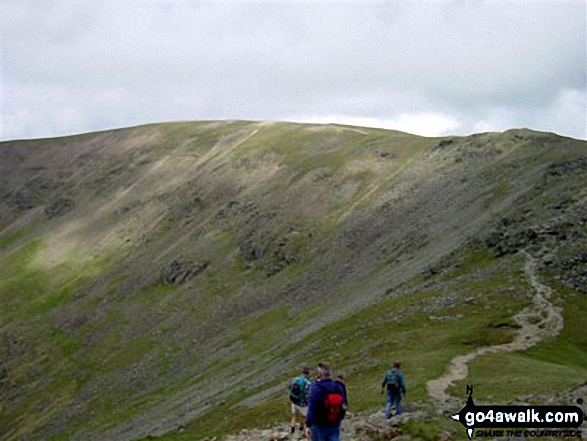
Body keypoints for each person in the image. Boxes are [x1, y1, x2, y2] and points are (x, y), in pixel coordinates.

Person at [305, 362, 348, 441]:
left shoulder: (316, 388)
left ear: (320, 373)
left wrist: (308, 425)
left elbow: (311, 408)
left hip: (319, 425)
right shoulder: (338, 387)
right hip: (335, 423)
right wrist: (340, 417)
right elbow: (344, 405)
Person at [290, 366, 312, 435]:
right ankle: (301, 427)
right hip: (302, 404)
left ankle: (292, 427)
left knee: (294, 415)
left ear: (302, 372)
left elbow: (291, 388)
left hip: (294, 400)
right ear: (308, 374)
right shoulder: (308, 383)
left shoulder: (296, 379)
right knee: (303, 416)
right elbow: (308, 395)